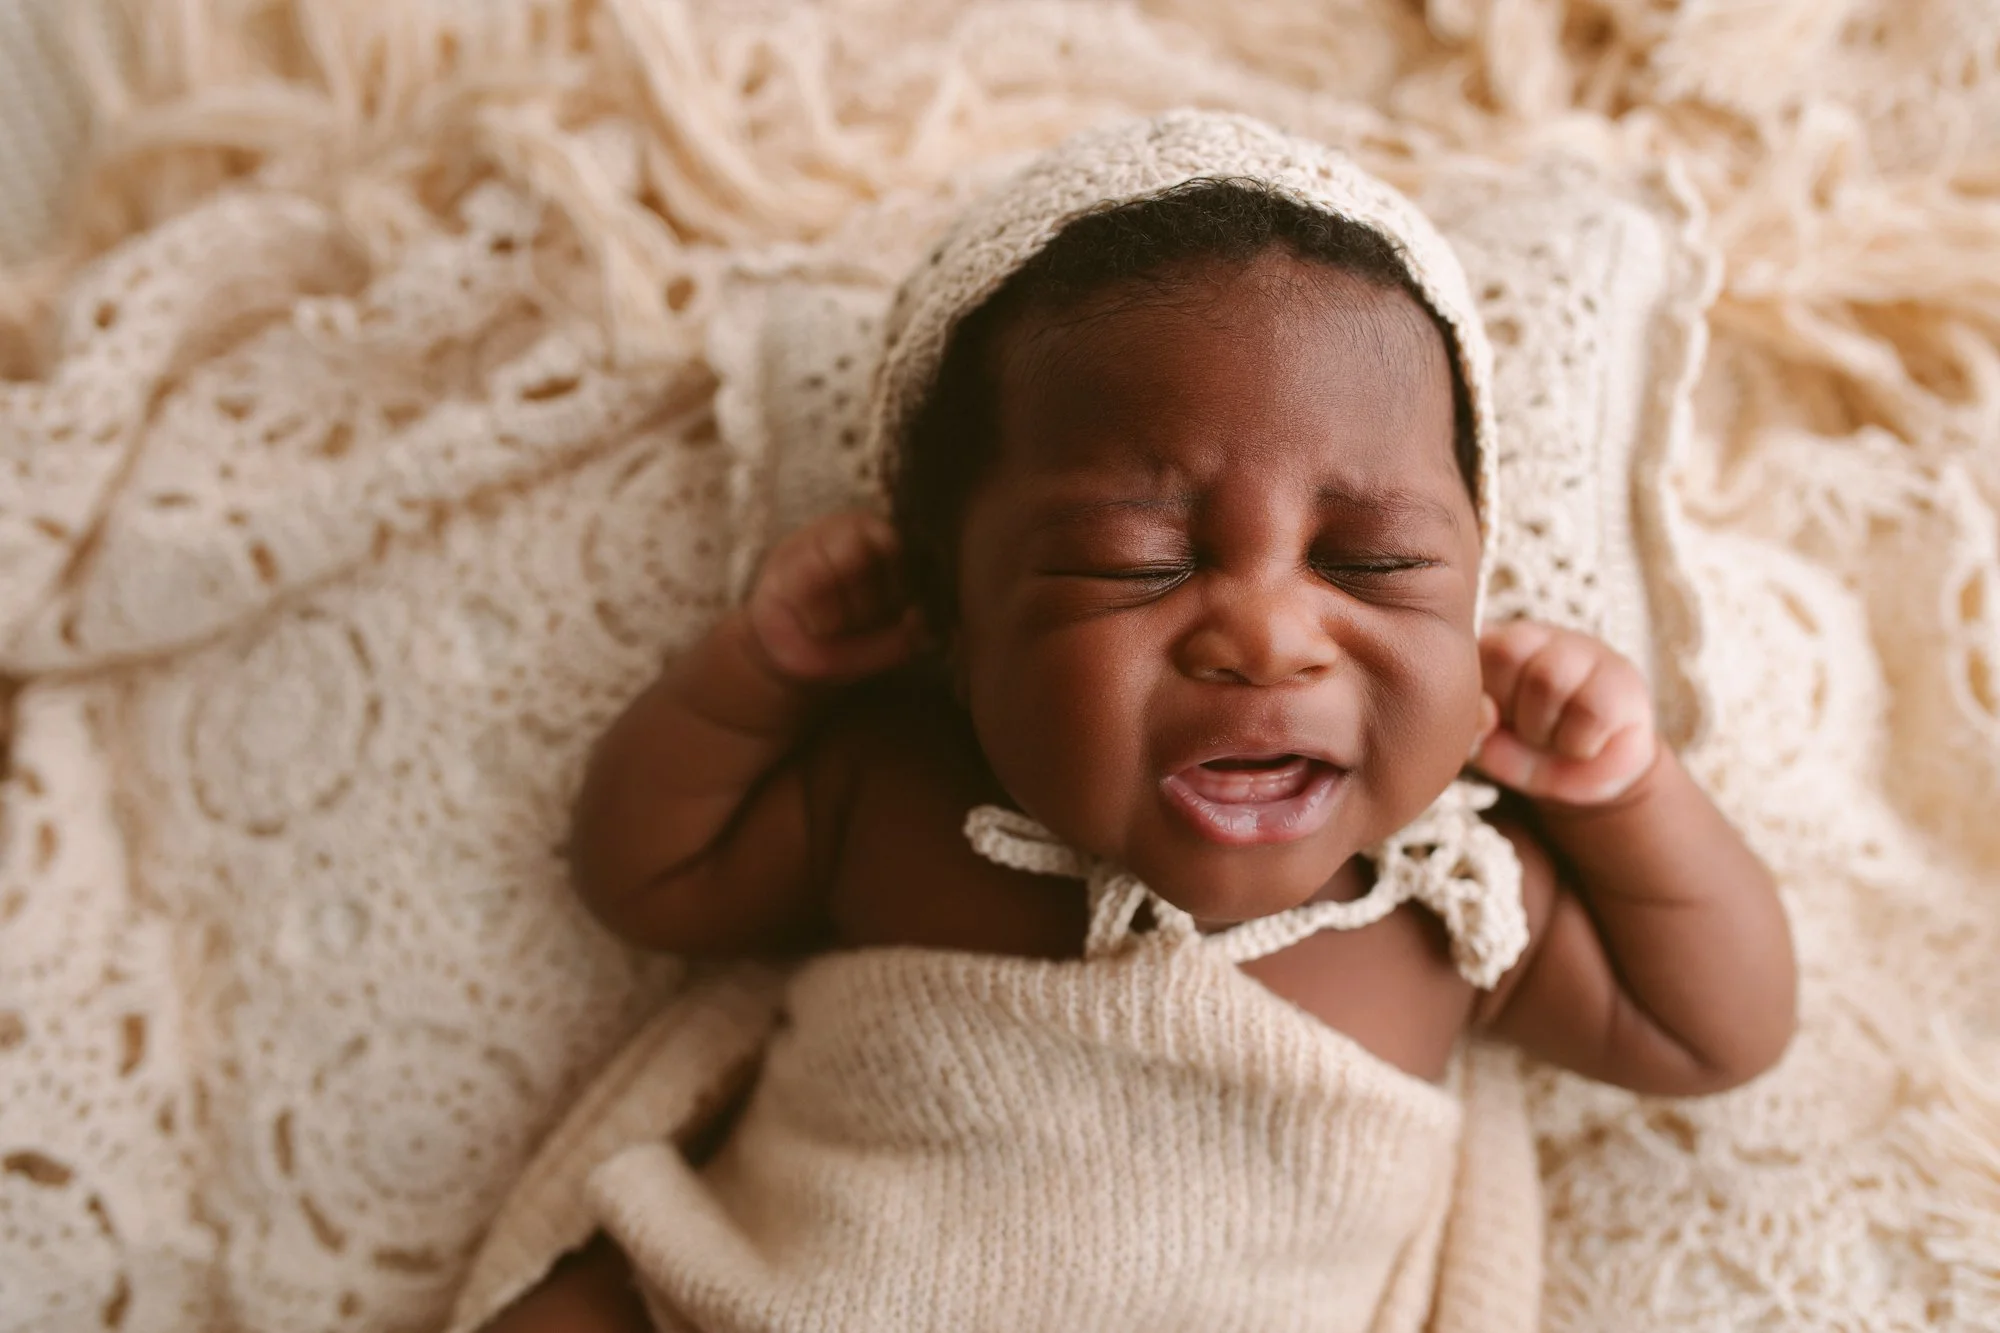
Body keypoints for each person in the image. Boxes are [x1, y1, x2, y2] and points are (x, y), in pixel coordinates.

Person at [481, 112, 1796, 1333]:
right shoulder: (896, 796)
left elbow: (1712, 1032)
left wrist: (1627, 794)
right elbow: (644, 877)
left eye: (1377, 565)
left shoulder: (1444, 900)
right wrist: (762, 671)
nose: (1271, 637)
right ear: (951, 613)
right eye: (1136, 564)